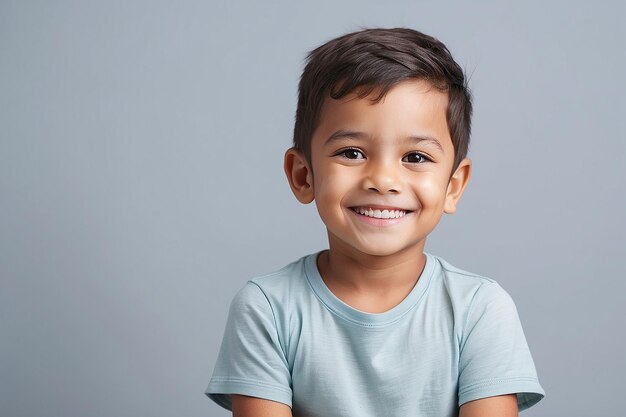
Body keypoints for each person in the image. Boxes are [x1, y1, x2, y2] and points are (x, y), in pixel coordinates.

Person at [205, 27, 545, 417]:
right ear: (303, 175)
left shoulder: (480, 310)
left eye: (415, 157)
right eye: (351, 152)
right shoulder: (267, 308)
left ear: (453, 186)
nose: (383, 180)